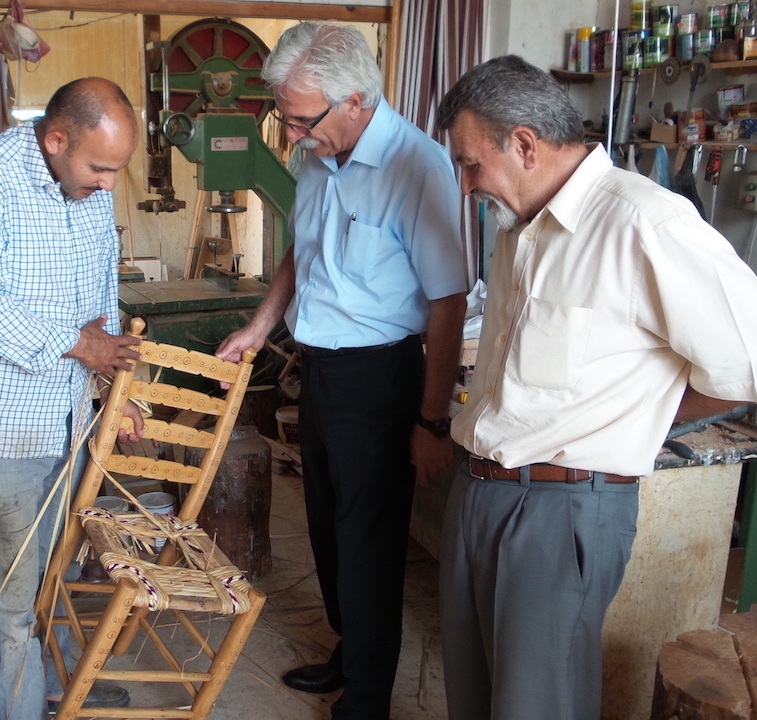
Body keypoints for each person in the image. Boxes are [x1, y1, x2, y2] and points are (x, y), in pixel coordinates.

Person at [435, 55, 757, 720]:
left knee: (536, 707)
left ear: (524, 144)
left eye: (470, 165)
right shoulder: (518, 229)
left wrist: (641, 418)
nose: (465, 186)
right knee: (472, 696)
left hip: (560, 511)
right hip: (480, 491)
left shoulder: (643, 222)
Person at [215, 23, 468, 720]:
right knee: (326, 525)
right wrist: (260, 327)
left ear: (356, 99)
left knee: (368, 541)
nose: (293, 135)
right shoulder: (318, 156)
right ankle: (349, 648)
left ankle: (368, 696)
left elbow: (449, 302)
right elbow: (303, 252)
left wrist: (431, 421)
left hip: (379, 378)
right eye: (286, 119)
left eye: (302, 120)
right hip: (320, 371)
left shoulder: (417, 167)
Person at [0, 77, 145, 720]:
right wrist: (82, 347)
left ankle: (53, 686)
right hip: (3, 426)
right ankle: (20, 708)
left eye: (116, 170)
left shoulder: (89, 186)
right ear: (56, 140)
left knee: (55, 572)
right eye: (100, 168)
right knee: (9, 599)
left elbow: (101, 294)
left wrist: (111, 386)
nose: (108, 183)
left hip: (68, 417)